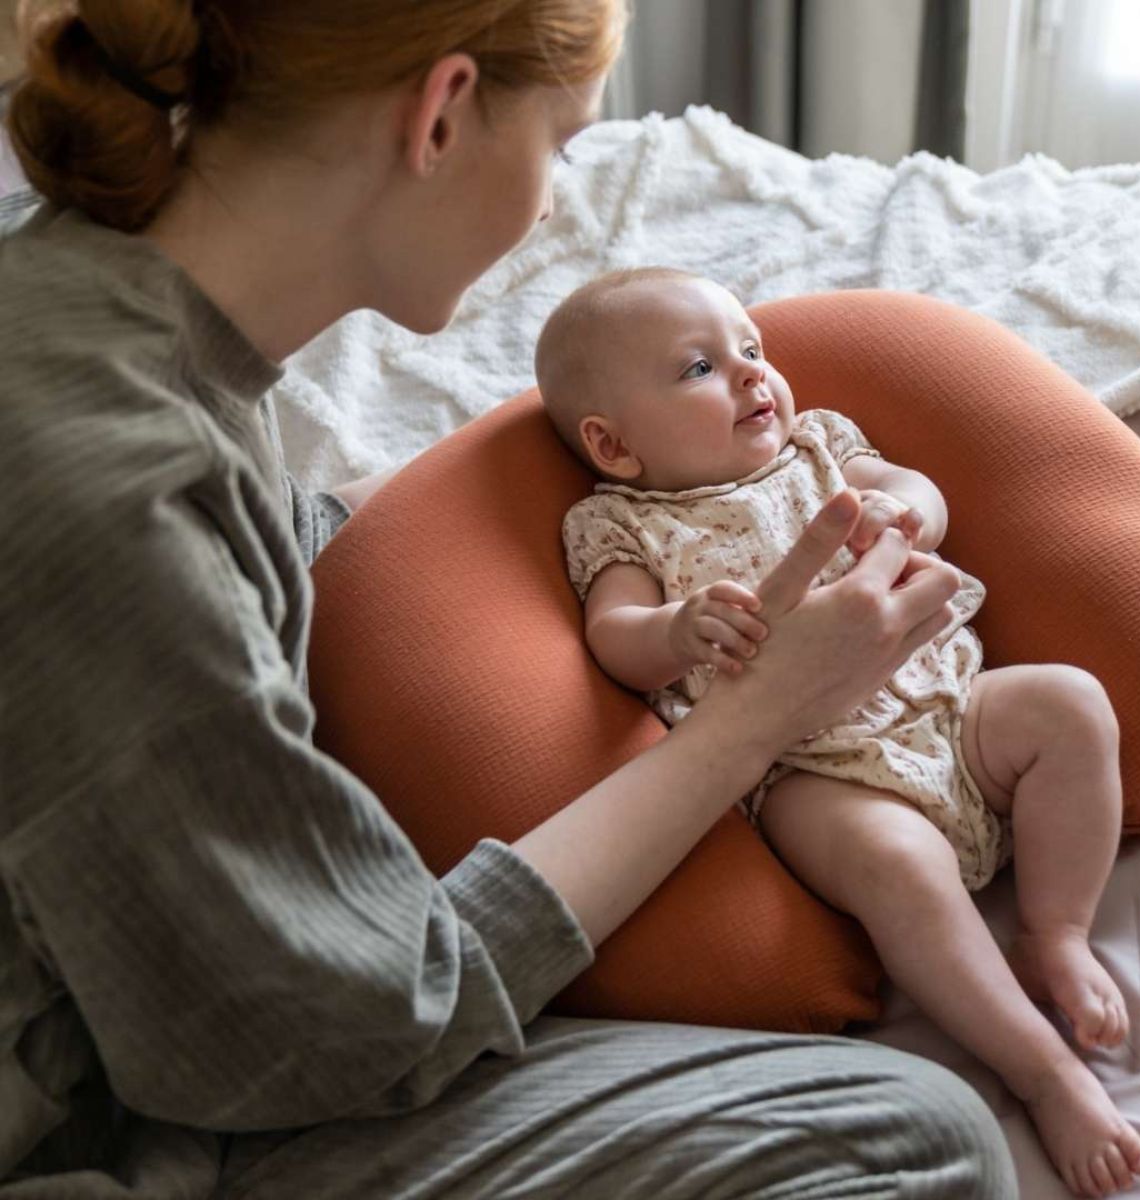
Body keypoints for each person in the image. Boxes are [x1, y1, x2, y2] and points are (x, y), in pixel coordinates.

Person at [0, 3, 1018, 1197]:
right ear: (440, 115)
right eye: (566, 142)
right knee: (918, 1138)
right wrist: (758, 717)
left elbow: (271, 551)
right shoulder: (119, 500)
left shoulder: (87, 303)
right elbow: (352, 1023)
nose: (552, 205)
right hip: (107, 1124)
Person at [538, 267, 1140, 1199]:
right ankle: (1045, 1072)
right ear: (614, 445)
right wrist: (674, 631)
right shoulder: (621, 523)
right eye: (703, 367)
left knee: (1072, 701)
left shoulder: (818, 446)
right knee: (898, 869)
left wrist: (910, 510)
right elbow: (612, 638)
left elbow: (912, 487)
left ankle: (1055, 932)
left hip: (950, 707)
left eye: (753, 350)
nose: (754, 376)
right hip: (816, 768)